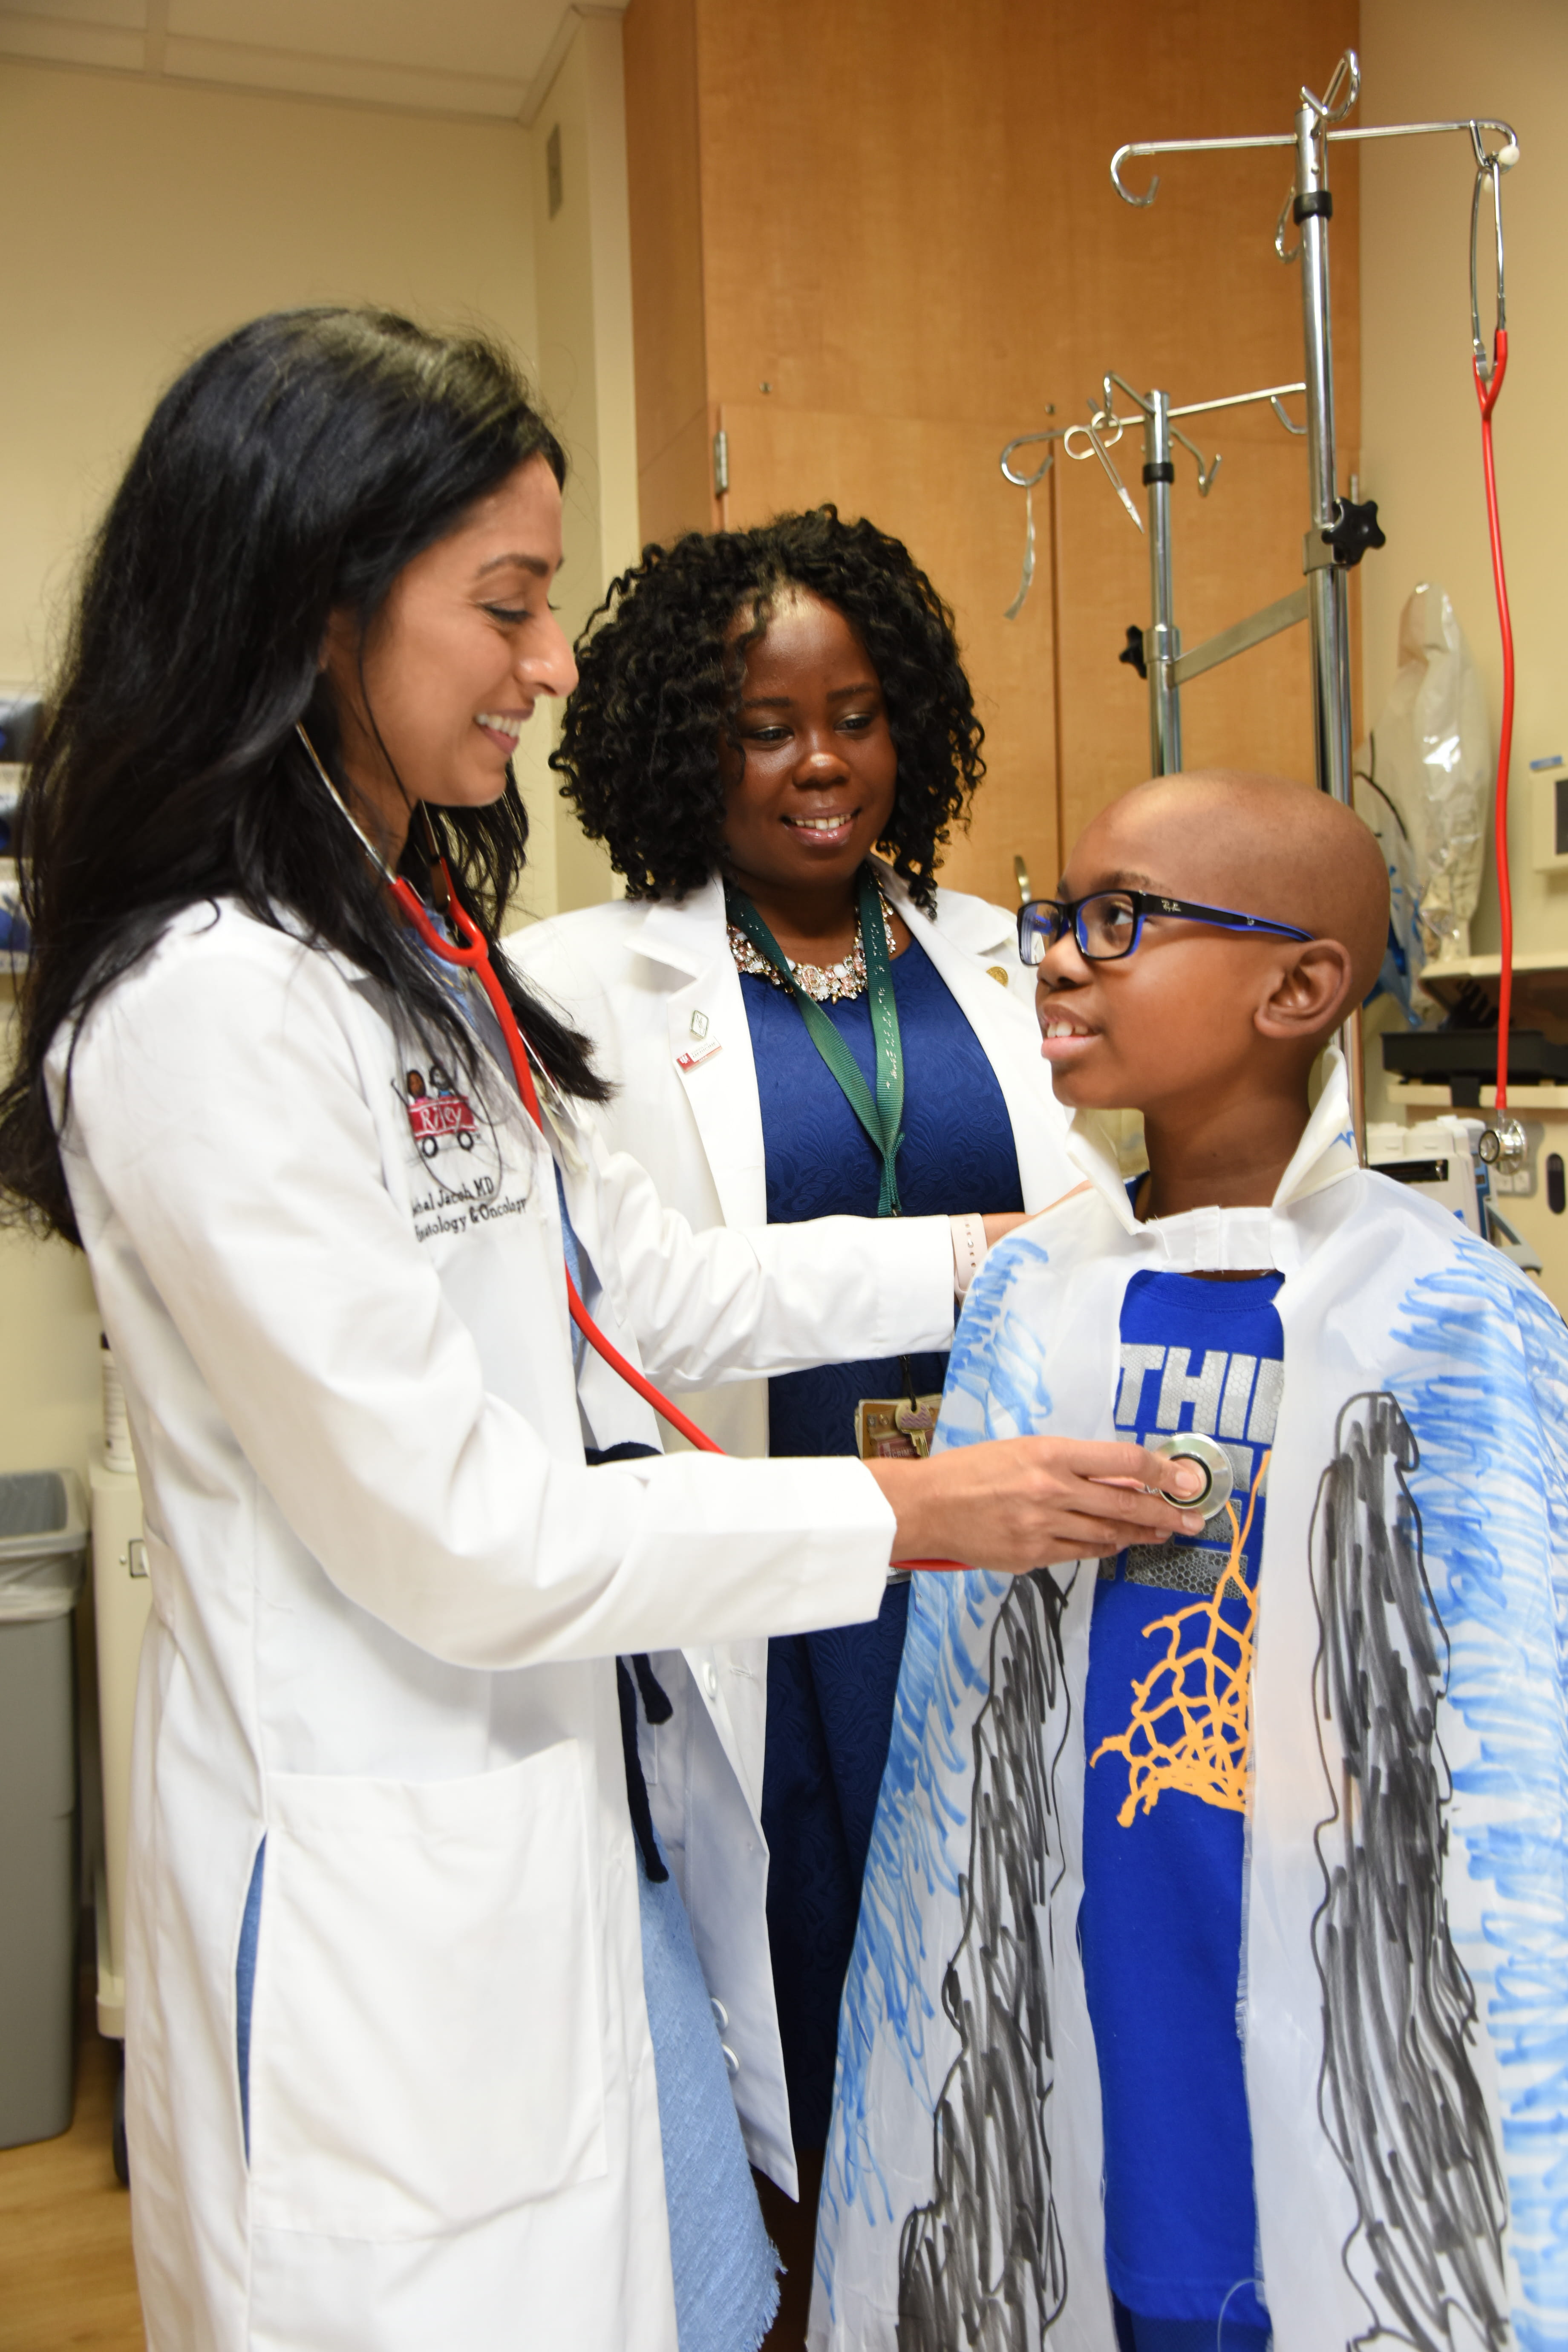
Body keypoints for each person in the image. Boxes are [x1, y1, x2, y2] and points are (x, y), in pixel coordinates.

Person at [0, 310, 1207, 2352]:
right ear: (318, 608)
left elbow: (640, 1278)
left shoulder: (412, 957)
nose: (551, 664)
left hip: (544, 1829)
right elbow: (465, 1534)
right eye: (506, 606)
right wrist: (916, 1511)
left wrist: (984, 1256)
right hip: (378, 1907)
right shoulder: (210, 1007)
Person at [813, 771, 1568, 2352]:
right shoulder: (1030, 1298)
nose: (1057, 958)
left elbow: (1512, 1771)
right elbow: (963, 1736)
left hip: (1334, 2001)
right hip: (1086, 1992)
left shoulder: (1452, 1319)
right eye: (1057, 917)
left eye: (1120, 921)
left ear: (1299, 989)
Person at [514, 510, 1075, 2286]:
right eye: (765, 728)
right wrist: (967, 1253)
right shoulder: (582, 985)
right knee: (819, 2001)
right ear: (689, 747)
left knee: (1016, 1982)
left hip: (1000, 1554)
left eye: (854, 716)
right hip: (786, 1592)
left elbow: (1102, 1230)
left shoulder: (1009, 956)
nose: (821, 763)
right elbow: (644, 1305)